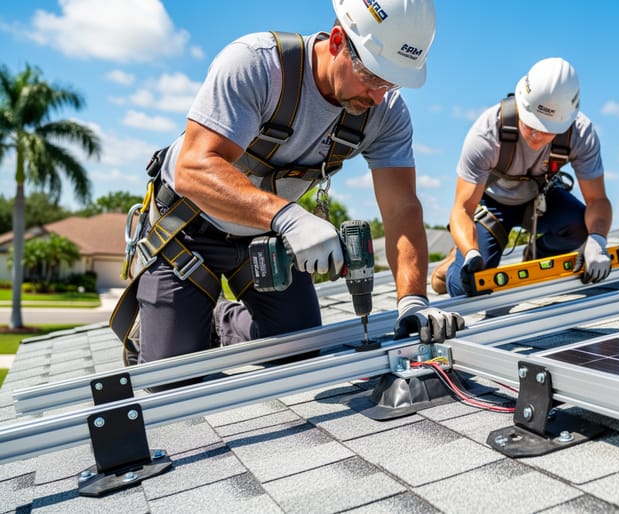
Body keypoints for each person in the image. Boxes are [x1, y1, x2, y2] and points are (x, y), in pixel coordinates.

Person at [117, 0, 463, 375]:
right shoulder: (258, 65)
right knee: (172, 379)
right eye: (373, 76)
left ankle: (216, 321)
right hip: (188, 233)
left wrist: (412, 300)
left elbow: (401, 210)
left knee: (298, 350)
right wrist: (288, 217)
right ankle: (166, 329)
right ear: (336, 42)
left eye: (392, 82)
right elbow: (193, 168)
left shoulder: (386, 112)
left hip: (264, 240)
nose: (379, 95)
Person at [431, 57, 613, 297]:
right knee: (469, 284)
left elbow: (597, 201)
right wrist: (470, 252)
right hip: (493, 206)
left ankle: (537, 257)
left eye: (547, 130)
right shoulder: (487, 133)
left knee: (580, 228)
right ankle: (452, 263)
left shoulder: (580, 134)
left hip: (541, 199)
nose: (536, 137)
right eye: (530, 125)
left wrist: (597, 240)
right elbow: (463, 208)